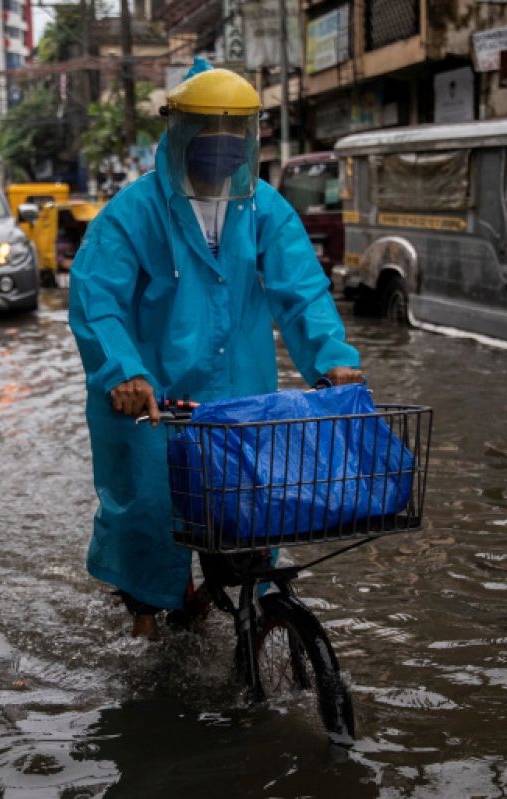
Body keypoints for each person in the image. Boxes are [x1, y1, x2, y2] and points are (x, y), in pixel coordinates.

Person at [68, 59, 363, 640]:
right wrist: (122, 371)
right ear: (178, 131)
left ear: (252, 137)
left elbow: (302, 289)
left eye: (236, 134)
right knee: (151, 524)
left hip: (238, 402)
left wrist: (333, 357)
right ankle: (145, 632)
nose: (222, 148)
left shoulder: (264, 208)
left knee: (250, 522)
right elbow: (96, 300)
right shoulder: (134, 212)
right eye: (209, 131)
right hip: (152, 403)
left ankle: (232, 617)